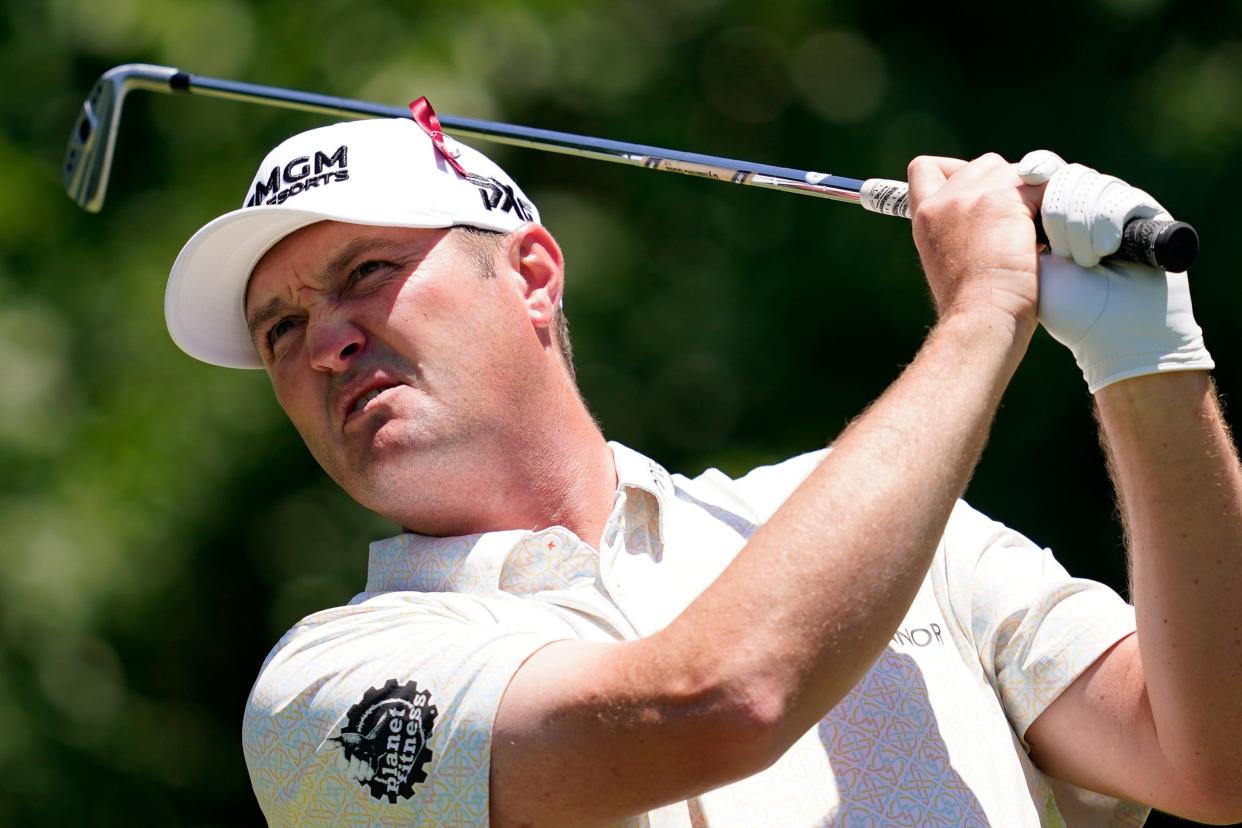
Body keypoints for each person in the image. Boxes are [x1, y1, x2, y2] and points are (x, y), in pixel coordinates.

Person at [163, 107, 1242, 827]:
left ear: (533, 276)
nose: (325, 342)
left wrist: (1148, 364)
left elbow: (1211, 760)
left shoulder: (887, 526)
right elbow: (721, 699)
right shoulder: (325, 693)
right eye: (279, 328)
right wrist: (983, 316)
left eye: (366, 271)